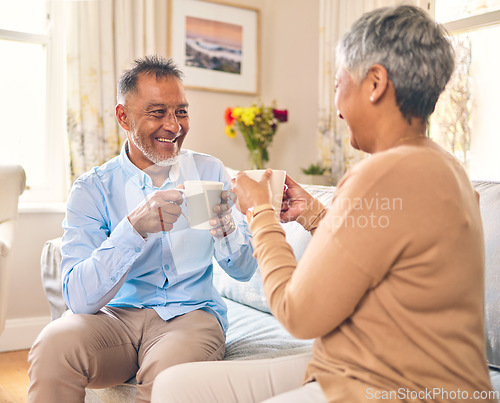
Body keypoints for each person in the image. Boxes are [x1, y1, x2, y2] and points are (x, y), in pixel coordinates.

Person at [150, 6, 496, 403]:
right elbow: (381, 250)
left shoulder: (380, 175)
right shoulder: (442, 166)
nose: (336, 106)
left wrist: (260, 212)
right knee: (174, 386)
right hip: (382, 370)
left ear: (375, 83)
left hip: (395, 386)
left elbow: (297, 313)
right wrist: (314, 214)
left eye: (337, 84)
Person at [28, 55, 257, 403]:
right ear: (124, 116)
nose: (174, 125)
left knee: (169, 377)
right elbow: (77, 298)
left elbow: (243, 271)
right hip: (114, 318)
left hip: (191, 316)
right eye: (158, 112)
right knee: (53, 344)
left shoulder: (209, 172)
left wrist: (225, 228)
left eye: (181, 111)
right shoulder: (93, 189)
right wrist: (132, 229)